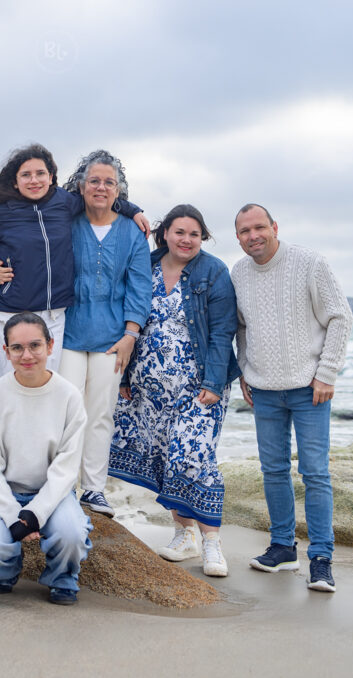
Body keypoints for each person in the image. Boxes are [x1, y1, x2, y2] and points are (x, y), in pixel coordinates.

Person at [109, 204, 240, 577]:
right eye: (179, 232)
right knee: (167, 459)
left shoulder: (213, 271)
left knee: (194, 459)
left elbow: (222, 331)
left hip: (198, 388)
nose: (186, 240)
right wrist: (122, 379)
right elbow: (126, 319)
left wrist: (214, 383)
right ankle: (184, 535)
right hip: (148, 389)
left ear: (203, 238)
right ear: (164, 233)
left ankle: (212, 543)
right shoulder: (144, 265)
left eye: (194, 234)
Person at [232, 202, 353, 593]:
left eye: (259, 228)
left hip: (309, 389)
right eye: (244, 231)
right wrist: (244, 369)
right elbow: (242, 328)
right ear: (238, 237)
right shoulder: (238, 273)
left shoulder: (309, 263)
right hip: (264, 390)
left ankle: (321, 559)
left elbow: (341, 317)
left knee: (315, 473)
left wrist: (327, 372)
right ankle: (283, 547)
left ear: (274, 227)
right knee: (273, 471)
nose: (253, 236)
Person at [0, 143, 150, 377]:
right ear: (15, 181)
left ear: (51, 177)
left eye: (40, 173)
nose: (34, 180)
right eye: (26, 175)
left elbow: (99, 196)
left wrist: (133, 210)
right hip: (11, 314)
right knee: (8, 389)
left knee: (47, 391)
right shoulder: (2, 212)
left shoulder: (63, 202)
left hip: (52, 316)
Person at [0, 312, 92, 605]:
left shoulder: (69, 396)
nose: (27, 355)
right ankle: (3, 572)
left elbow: (67, 467)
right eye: (17, 348)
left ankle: (62, 577)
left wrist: (35, 513)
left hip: (51, 492)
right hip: (0, 491)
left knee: (71, 534)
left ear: (50, 345)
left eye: (35, 345)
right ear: (5, 352)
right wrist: (11, 515)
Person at [57, 150, 151, 519]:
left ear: (119, 190)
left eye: (108, 182)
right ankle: (62, 486)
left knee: (101, 414)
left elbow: (139, 286)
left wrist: (131, 334)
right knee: (66, 411)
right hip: (66, 332)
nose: (100, 187)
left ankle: (93, 490)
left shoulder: (132, 231)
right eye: (94, 181)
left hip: (114, 337)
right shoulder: (66, 221)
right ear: (81, 186)